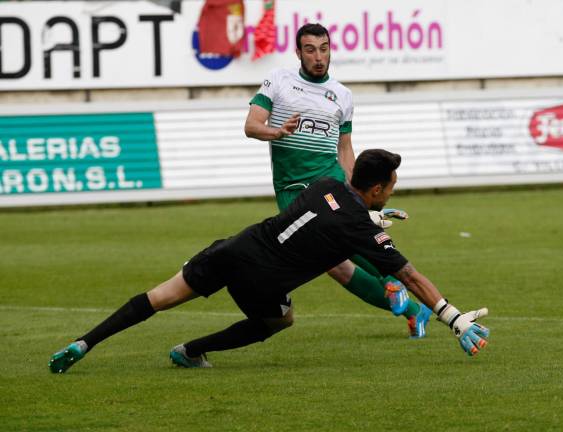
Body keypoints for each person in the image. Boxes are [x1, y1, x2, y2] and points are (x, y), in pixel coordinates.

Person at [48, 149, 490, 373]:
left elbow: (330, 213)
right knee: (279, 321)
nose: (393, 190)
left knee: (157, 297)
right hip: (261, 280)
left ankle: (84, 343)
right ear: (376, 189)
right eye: (389, 187)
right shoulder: (360, 228)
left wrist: (373, 216)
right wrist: (455, 320)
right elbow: (410, 275)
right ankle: (190, 351)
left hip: (233, 247)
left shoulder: (324, 184)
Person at [243, 23, 430, 338]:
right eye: (311, 49)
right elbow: (251, 125)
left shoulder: (342, 96)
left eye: (324, 48)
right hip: (291, 190)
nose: (319, 57)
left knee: (341, 251)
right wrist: (276, 132)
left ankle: (395, 286)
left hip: (329, 183)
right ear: (299, 52)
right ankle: (414, 310)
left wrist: (358, 193)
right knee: (335, 265)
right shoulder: (279, 81)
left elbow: (345, 149)